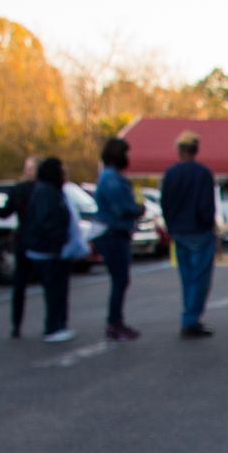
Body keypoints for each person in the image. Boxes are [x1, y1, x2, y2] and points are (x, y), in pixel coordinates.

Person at [159, 131, 218, 338]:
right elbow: (206, 205)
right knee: (199, 277)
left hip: (179, 231)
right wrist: (208, 224)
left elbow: (165, 202)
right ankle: (191, 319)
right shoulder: (202, 173)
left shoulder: (171, 173)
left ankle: (189, 316)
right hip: (198, 230)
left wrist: (171, 225)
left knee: (186, 276)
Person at [95, 138, 145, 342]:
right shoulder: (112, 179)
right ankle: (114, 322)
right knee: (120, 279)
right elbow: (122, 208)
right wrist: (137, 209)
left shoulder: (107, 177)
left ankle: (116, 321)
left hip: (115, 233)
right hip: (114, 233)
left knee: (120, 280)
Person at [23, 157, 75, 343]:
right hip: (48, 250)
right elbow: (47, 221)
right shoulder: (46, 192)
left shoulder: (50, 191)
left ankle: (58, 324)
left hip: (51, 248)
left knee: (57, 290)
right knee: (54, 290)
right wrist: (58, 240)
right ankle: (53, 327)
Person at [0, 156, 39, 338]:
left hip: (24, 240)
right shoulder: (42, 190)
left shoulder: (20, 190)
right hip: (37, 241)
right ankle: (54, 323)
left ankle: (16, 325)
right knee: (50, 284)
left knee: (20, 286)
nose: (27, 171)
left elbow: (4, 212)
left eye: (30, 168)